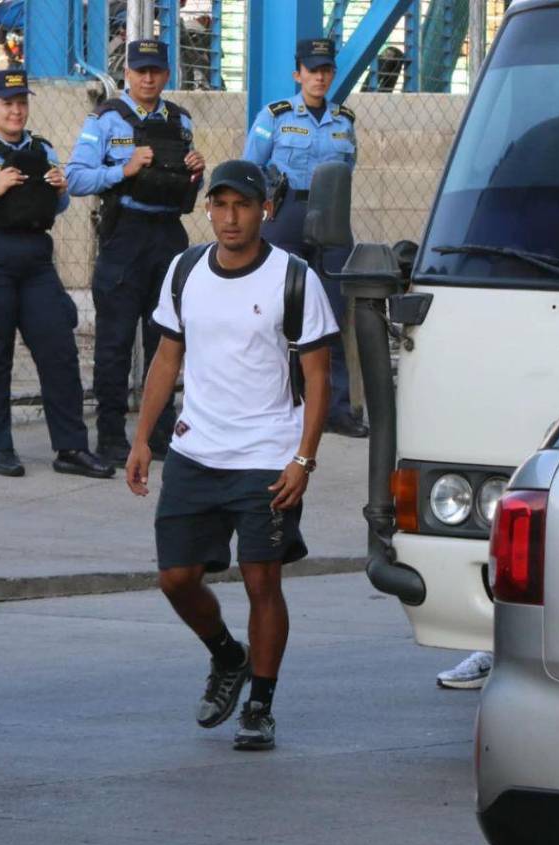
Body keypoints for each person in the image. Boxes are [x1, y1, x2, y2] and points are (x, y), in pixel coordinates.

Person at [126, 159, 338, 750]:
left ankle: (260, 706)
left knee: (260, 578)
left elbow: (318, 378)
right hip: (197, 449)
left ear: (264, 209)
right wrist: (143, 438)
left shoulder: (293, 279)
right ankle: (227, 655)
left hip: (267, 455)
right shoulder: (185, 269)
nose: (229, 217)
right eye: (219, 205)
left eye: (241, 205)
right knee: (176, 578)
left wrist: (303, 459)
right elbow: (167, 357)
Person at [0, 69, 113, 479]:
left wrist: (58, 190)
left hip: (35, 260)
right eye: (7, 104)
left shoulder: (43, 150)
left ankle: (70, 448)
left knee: (58, 351)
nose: (16, 111)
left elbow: (59, 207)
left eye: (21, 103)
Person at [66, 39, 207, 466]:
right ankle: (111, 437)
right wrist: (122, 169)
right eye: (140, 70)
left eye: (155, 71)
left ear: (167, 75)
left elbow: (186, 185)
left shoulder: (180, 121)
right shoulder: (106, 120)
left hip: (168, 236)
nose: (148, 78)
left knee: (166, 340)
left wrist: (196, 174)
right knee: (114, 342)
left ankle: (160, 436)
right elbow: (76, 178)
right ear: (128, 73)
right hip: (125, 236)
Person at [242, 37, 368, 439]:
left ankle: (336, 408)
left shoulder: (344, 121)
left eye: (326, 70)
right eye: (313, 70)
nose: (320, 77)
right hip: (286, 214)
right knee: (279, 310)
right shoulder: (275, 116)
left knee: (331, 312)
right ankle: (277, 402)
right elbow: (250, 168)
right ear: (298, 74)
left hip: (331, 216)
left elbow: (349, 167)